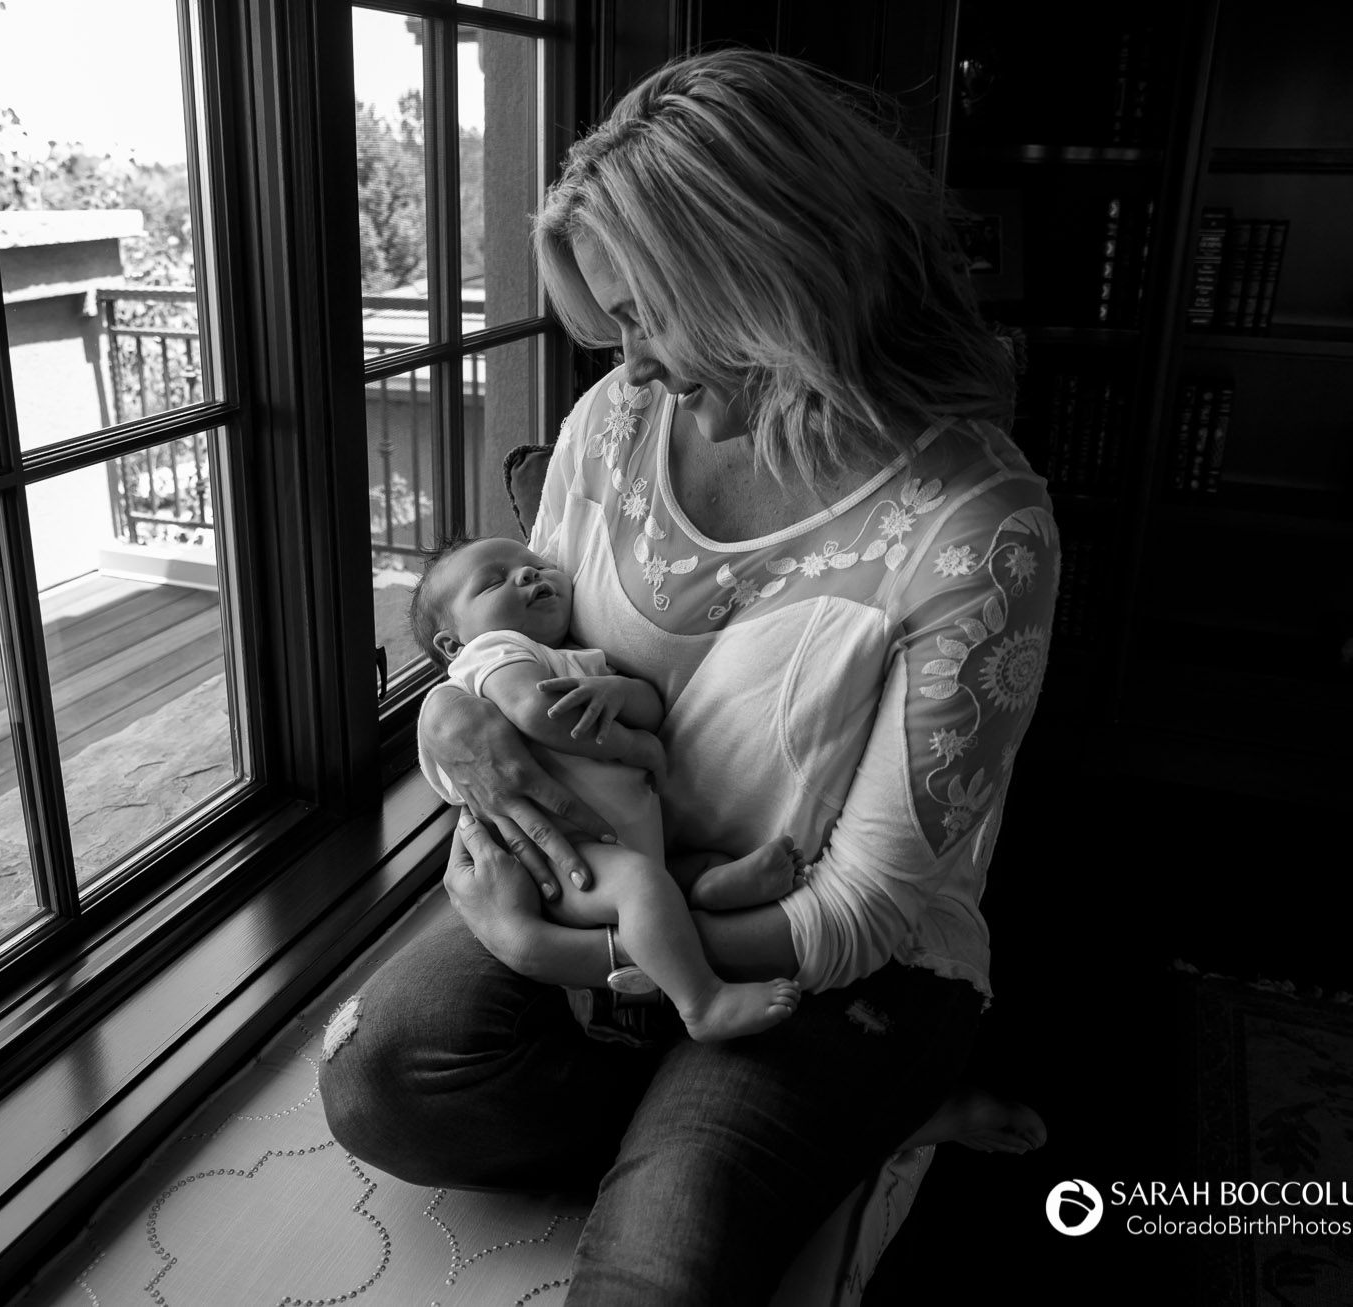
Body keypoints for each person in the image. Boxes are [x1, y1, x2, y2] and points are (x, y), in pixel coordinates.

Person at [321, 48, 1051, 1305]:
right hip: (625, 889)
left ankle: (836, 1098)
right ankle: (724, 1115)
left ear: (776, 278)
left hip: (821, 953)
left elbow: (861, 909)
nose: (628, 362)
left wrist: (571, 954)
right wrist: (452, 718)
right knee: (381, 1081)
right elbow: (515, 642)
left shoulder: (977, 532)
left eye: (648, 316)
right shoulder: (615, 422)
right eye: (611, 323)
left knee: (663, 1267)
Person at [409, 531, 806, 1041]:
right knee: (641, 886)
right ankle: (701, 1002)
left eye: (535, 563)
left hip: (614, 841)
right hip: (562, 857)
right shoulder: (490, 654)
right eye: (493, 582)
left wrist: (618, 692)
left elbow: (651, 705)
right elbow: (540, 711)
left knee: (675, 872)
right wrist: (633, 747)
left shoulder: (570, 655)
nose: (528, 574)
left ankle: (705, 887)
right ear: (453, 642)